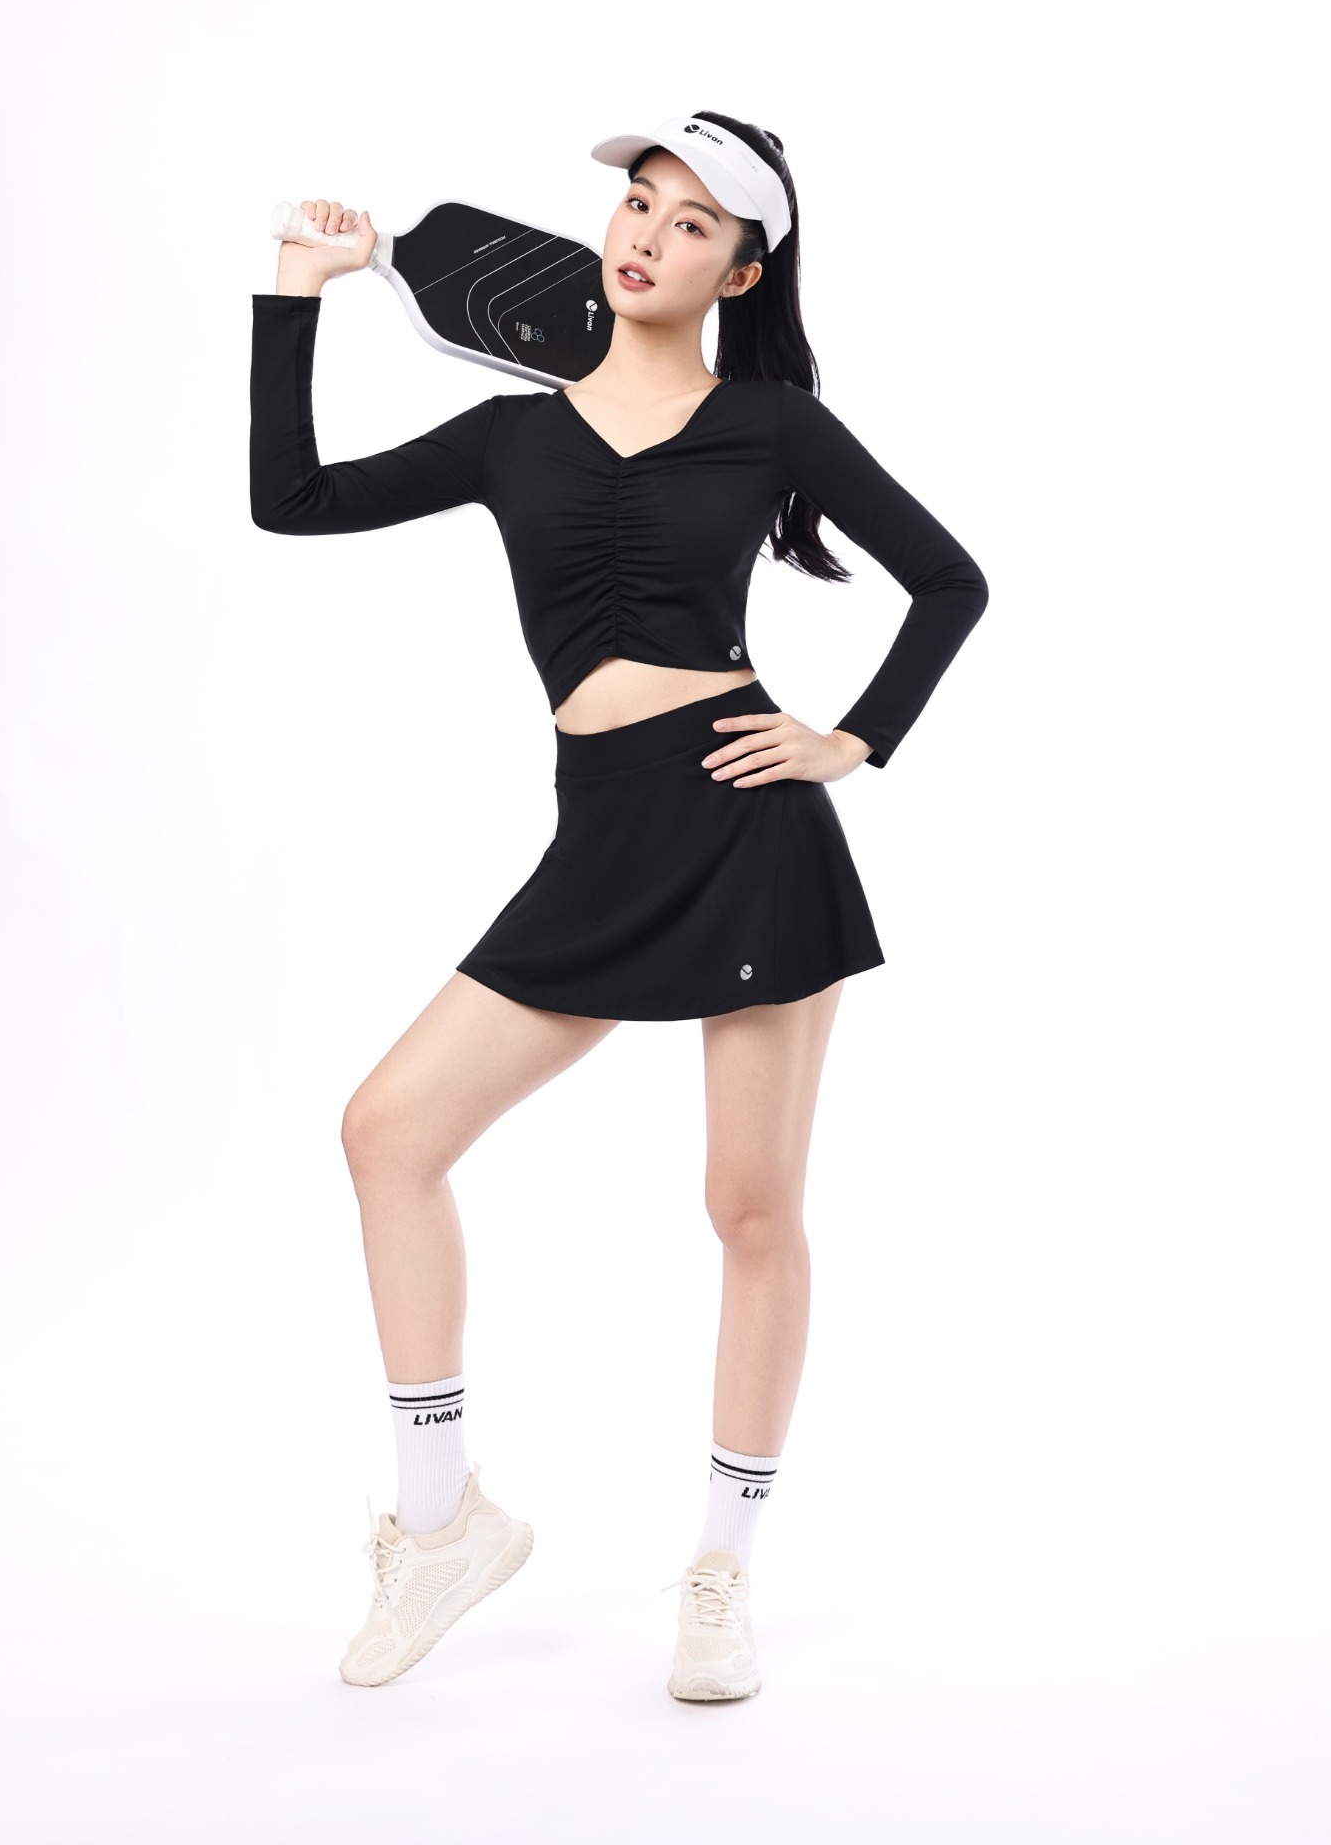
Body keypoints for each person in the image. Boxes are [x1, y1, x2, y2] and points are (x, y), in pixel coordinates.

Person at [247, 110, 989, 1703]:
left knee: (748, 1209)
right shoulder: (509, 436)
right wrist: (301, 295)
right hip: (599, 842)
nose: (646, 233)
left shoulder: (772, 425)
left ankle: (720, 1573)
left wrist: (852, 739)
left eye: (692, 220)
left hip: (746, 831)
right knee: (388, 1134)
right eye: (638, 203)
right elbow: (289, 501)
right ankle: (442, 1527)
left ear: (743, 268)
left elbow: (950, 582)